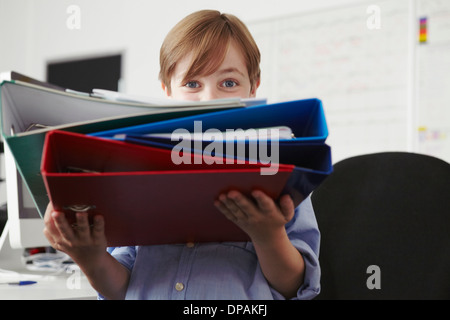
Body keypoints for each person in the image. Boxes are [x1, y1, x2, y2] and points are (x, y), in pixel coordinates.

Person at [43, 10, 320, 300]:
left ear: (253, 87)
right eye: (191, 84)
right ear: (167, 91)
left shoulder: (279, 166)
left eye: (228, 83)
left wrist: (268, 236)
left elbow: (296, 287)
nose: (209, 99)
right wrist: (91, 259)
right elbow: (122, 288)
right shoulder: (136, 167)